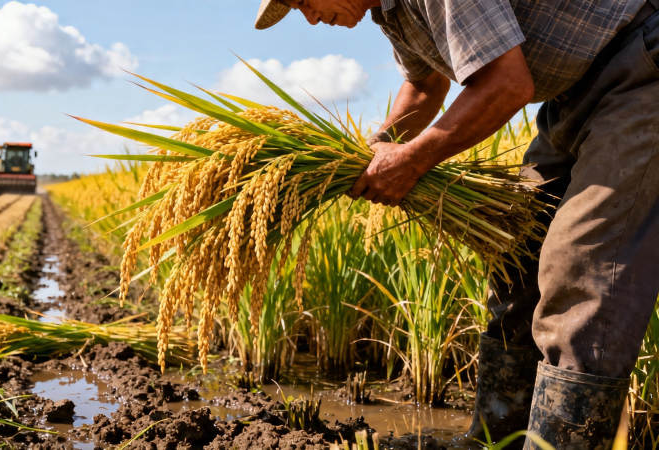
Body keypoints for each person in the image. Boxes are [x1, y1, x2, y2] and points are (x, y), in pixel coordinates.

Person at [254, 0, 659, 448]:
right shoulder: (391, 13)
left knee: (578, 269)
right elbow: (425, 86)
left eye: (303, 1)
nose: (310, 17)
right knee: (517, 253)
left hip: (640, 66)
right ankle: (493, 442)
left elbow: (507, 84)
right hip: (575, 95)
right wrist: (372, 153)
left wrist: (412, 161)